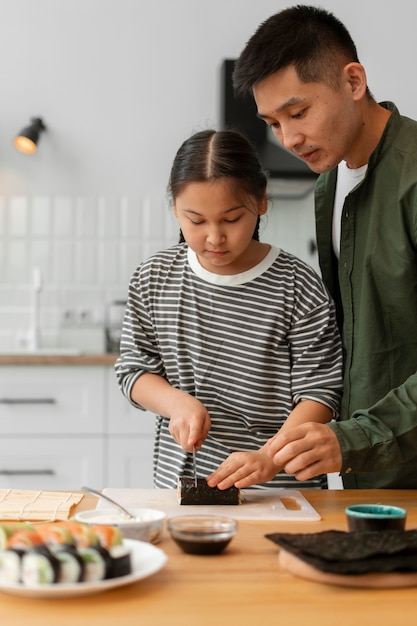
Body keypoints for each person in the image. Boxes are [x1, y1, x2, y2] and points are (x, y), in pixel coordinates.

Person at [232, 4, 417, 489]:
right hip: (368, 481)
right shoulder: (329, 184)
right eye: (273, 122)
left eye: (298, 112)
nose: (289, 138)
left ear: (353, 82)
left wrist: (358, 438)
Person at [115, 128, 343, 490]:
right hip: (182, 487)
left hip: (280, 488)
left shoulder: (297, 284)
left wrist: (270, 457)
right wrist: (176, 403)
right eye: (197, 220)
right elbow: (133, 371)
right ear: (174, 206)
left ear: (262, 200)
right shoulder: (153, 277)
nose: (215, 237)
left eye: (232, 219)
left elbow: (321, 393)